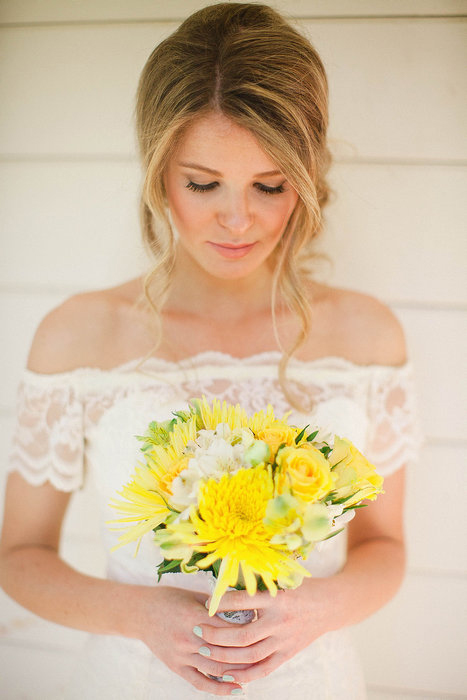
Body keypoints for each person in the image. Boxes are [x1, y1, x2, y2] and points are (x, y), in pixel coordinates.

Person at [0, 3, 421, 698]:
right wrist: (141, 616)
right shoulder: (79, 335)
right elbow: (19, 555)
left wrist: (313, 609)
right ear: (158, 171)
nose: (236, 218)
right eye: (202, 183)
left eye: (269, 185)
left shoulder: (366, 335)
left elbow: (385, 547)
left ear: (308, 175)